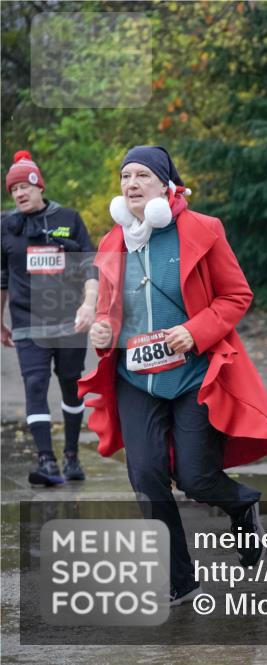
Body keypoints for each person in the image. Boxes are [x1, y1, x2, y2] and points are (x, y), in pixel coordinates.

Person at [80, 145, 267, 605]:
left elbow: (236, 295)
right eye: (125, 176)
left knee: (197, 479)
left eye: (141, 175)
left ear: (164, 185)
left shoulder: (202, 229)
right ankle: (180, 579)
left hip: (194, 373)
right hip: (136, 378)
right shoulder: (112, 241)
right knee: (146, 476)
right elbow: (108, 313)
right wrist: (101, 329)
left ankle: (241, 504)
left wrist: (193, 332)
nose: (131, 184)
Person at [1, 150, 97, 486]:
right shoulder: (6, 226)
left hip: (68, 320)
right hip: (27, 322)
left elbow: (91, 265)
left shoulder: (68, 217)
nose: (19, 194)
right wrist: (0, 319)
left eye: (24, 187)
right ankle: (47, 462)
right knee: (36, 384)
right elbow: (1, 276)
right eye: (13, 190)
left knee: (71, 386)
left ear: (39, 185)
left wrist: (89, 304)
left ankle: (71, 456)